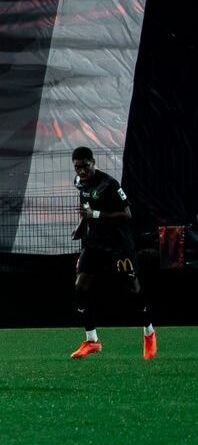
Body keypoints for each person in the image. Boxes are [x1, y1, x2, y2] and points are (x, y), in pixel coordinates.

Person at [69, 147, 155, 360]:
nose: (81, 171)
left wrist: (95, 214)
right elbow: (86, 205)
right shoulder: (80, 183)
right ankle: (92, 341)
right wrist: (82, 226)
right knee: (80, 286)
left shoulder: (109, 184)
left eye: (85, 166)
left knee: (133, 289)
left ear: (93, 162)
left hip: (119, 245)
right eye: (77, 167)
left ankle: (149, 332)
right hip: (95, 243)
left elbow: (127, 215)